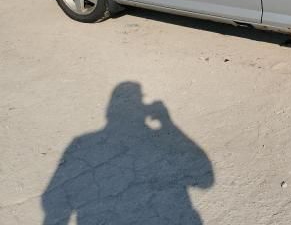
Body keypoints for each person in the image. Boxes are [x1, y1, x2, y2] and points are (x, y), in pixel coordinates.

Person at [42, 82, 213, 224]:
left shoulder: (82, 142)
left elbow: (54, 201)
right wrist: (167, 123)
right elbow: (205, 179)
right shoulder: (157, 139)